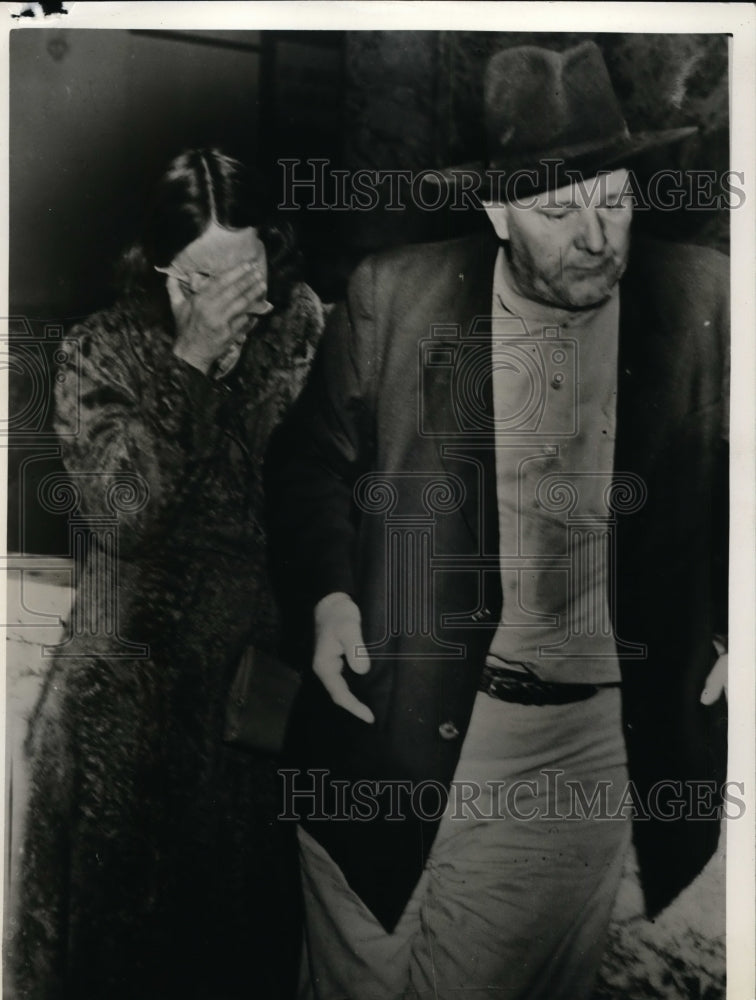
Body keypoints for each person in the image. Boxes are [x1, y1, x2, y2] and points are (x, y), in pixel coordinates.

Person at [266, 43, 729, 1000]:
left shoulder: (706, 307)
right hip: (382, 729)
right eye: (559, 212)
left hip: (566, 753)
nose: (598, 236)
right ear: (494, 211)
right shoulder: (399, 296)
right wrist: (326, 596)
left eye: (615, 199)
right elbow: (310, 459)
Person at [14, 148, 326, 1000]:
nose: (228, 299)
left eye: (245, 270)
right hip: (122, 711)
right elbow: (124, 518)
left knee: (235, 944)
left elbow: (326, 505)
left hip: (245, 709)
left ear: (274, 247)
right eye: (198, 277)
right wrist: (186, 366)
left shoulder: (305, 336)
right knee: (113, 955)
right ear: (157, 267)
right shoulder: (102, 351)